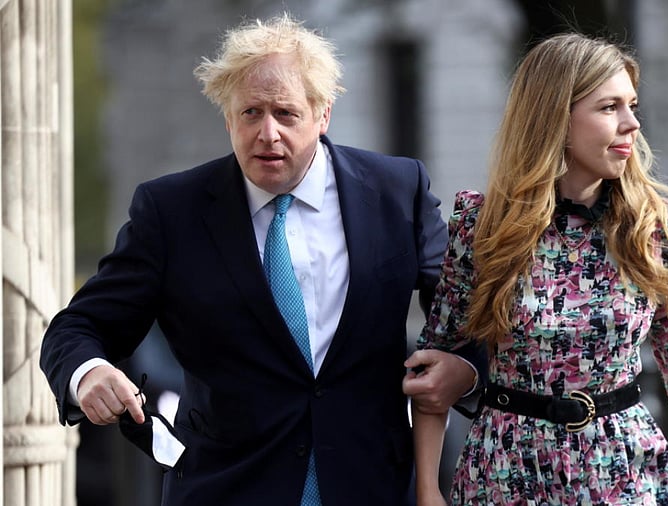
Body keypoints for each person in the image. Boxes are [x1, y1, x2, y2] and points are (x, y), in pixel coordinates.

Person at [40, 13, 475, 506]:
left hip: (371, 483)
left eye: (285, 114)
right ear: (228, 117)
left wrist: (469, 372)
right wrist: (89, 374)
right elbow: (76, 328)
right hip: (226, 486)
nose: (267, 133)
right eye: (250, 113)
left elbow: (469, 317)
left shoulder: (397, 192)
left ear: (322, 113)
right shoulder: (171, 211)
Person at [409, 33, 668, 506]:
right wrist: (428, 489)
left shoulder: (653, 230)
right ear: (556, 117)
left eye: (632, 105)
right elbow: (435, 361)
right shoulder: (484, 227)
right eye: (609, 108)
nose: (632, 124)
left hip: (624, 469)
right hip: (505, 471)